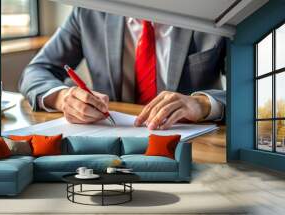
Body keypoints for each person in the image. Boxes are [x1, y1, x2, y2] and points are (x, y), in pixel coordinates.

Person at [20, 8, 226, 130]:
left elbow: (254, 90)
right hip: (111, 136)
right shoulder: (90, 10)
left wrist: (204, 104)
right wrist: (63, 97)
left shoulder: (217, 13)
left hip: (195, 142)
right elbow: (36, 71)